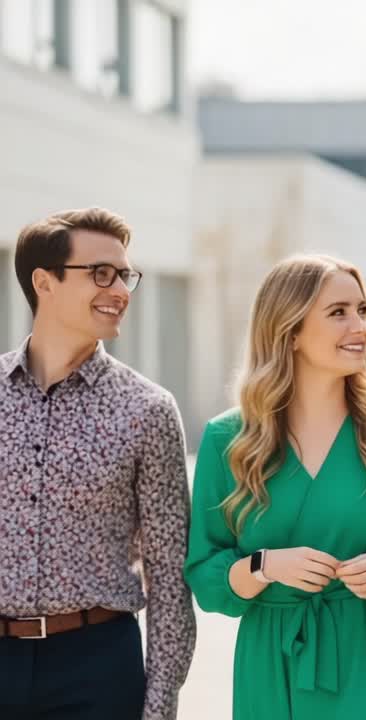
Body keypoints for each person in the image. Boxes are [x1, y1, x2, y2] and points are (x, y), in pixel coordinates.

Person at [185, 254, 366, 720]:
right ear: (291, 330)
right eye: (338, 312)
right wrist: (265, 567)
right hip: (273, 664)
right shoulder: (229, 440)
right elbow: (206, 578)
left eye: (362, 310)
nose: (360, 325)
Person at [0, 208, 195, 720]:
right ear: (44, 281)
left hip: (97, 666)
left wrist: (159, 708)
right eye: (100, 274)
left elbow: (170, 576)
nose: (120, 290)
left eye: (124, 275)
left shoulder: (148, 410)